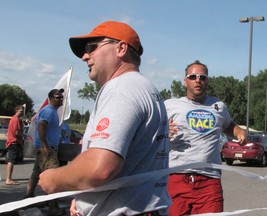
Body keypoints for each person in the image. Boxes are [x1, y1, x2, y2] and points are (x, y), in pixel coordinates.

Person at [39, 20, 171, 216]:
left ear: (121, 48)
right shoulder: (142, 87)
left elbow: (99, 167)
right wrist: (83, 198)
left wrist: (53, 179)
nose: (85, 56)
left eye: (92, 48)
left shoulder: (121, 88)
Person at [165, 60, 246, 215]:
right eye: (193, 76)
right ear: (185, 81)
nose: (198, 80)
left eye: (202, 77)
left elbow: (229, 125)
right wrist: (162, 130)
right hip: (176, 177)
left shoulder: (218, 106)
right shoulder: (170, 105)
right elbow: (148, 130)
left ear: (207, 80)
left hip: (209, 181)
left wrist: (239, 132)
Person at [25, 88, 66, 216]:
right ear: (51, 98)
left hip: (45, 148)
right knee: (53, 177)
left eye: (61, 97)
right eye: (58, 97)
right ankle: (53, 207)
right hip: (46, 149)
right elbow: (42, 125)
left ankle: (28, 197)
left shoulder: (52, 111)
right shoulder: (49, 111)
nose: (61, 99)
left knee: (36, 174)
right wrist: (45, 146)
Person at [5, 105, 24, 185]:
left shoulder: (13, 119)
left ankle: (8, 178)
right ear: (16, 110)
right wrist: (22, 135)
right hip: (14, 142)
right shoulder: (15, 119)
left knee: (10, 160)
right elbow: (16, 132)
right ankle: (8, 179)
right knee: (11, 161)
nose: (22, 113)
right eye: (21, 111)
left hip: (11, 141)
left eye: (22, 111)